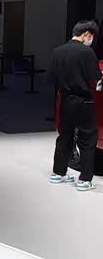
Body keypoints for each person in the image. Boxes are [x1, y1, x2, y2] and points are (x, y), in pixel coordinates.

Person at [49, 21, 103, 192]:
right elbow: (96, 76)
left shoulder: (57, 51)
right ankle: (85, 180)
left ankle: (58, 173)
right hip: (84, 102)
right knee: (87, 140)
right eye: (92, 37)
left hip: (65, 101)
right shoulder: (87, 52)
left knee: (64, 137)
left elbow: (51, 77)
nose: (92, 41)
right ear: (87, 34)